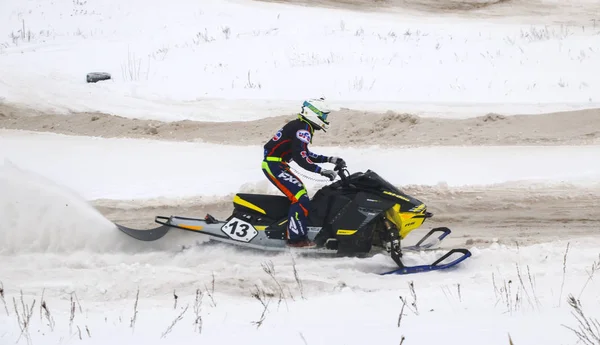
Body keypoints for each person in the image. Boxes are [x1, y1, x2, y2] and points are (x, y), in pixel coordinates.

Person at [262, 97, 345, 248]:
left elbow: (304, 154)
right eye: (323, 116)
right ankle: (296, 239)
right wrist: (321, 171)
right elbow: (300, 158)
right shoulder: (303, 129)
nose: (325, 119)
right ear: (314, 114)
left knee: (300, 196)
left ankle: (293, 229)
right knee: (300, 198)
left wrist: (330, 159)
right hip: (274, 165)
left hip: (278, 164)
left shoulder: (302, 126)